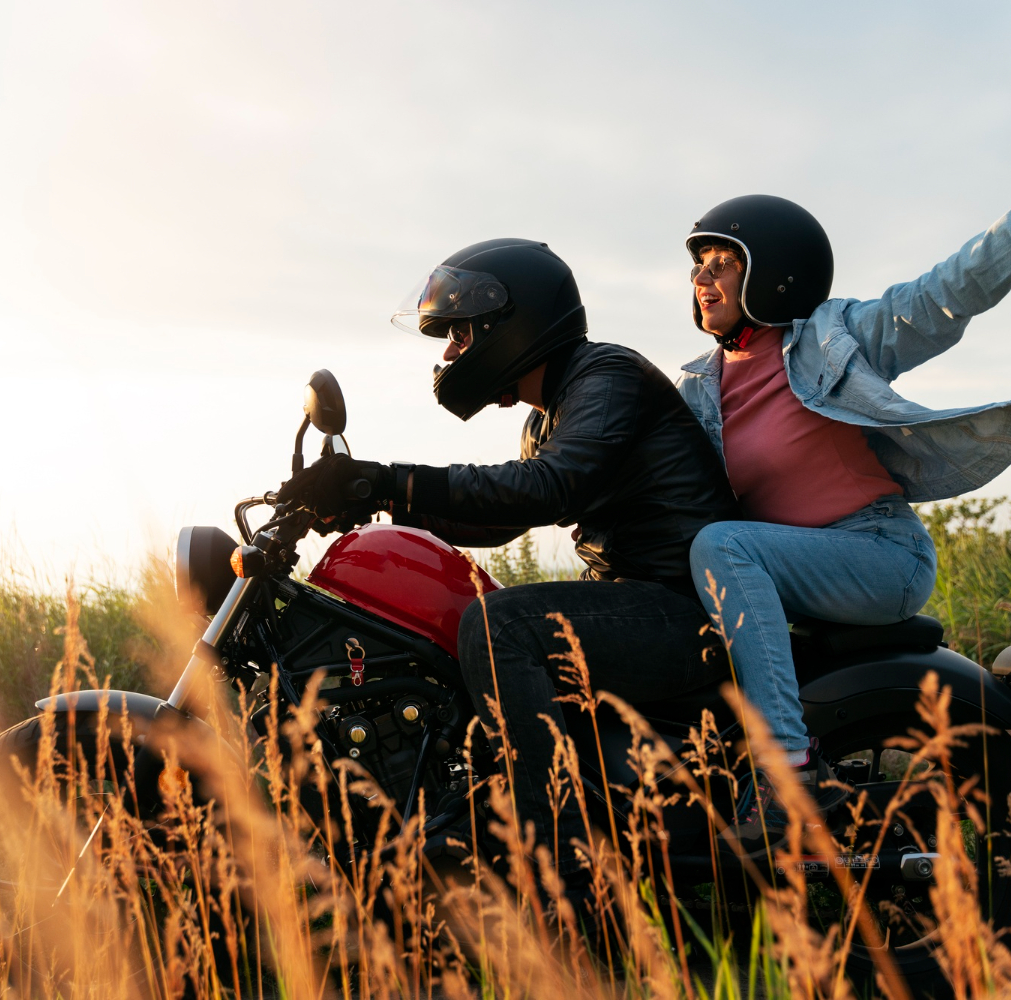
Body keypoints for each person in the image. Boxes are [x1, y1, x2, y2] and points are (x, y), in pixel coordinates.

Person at [676, 86, 1011, 850]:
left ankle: (790, 773)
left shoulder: (834, 337)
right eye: (700, 263)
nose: (705, 277)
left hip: (877, 553)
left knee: (721, 546)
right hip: (798, 574)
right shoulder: (698, 384)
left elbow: (943, 293)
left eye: (726, 262)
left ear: (777, 272)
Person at [280, 237, 740, 889]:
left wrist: (391, 480)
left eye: (460, 335)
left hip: (683, 608)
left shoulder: (606, 376)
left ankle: (557, 859)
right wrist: (377, 499)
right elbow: (498, 521)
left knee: (501, 625)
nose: (449, 354)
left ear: (509, 324)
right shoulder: (551, 412)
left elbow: (551, 485)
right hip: (642, 601)